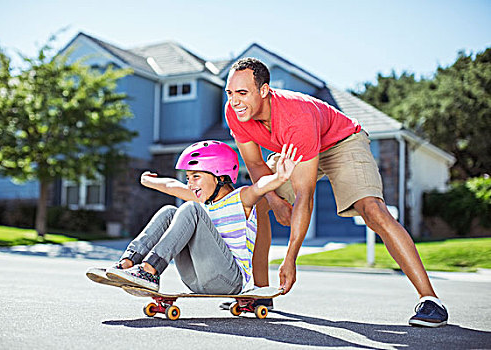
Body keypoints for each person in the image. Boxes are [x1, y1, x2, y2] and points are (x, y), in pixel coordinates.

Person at [223, 57, 448, 327]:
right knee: (255, 200)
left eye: (242, 93)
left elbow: (305, 195)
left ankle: (430, 300)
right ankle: (260, 293)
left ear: (264, 90)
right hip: (295, 148)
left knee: (372, 209)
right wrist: (274, 199)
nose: (235, 101)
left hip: (342, 142)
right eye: (230, 93)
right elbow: (257, 165)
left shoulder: (297, 115)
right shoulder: (235, 113)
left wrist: (290, 258)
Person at [86, 140, 302, 296]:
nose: (190, 184)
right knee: (169, 212)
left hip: (229, 280)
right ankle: (127, 263)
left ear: (220, 175)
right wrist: (149, 181)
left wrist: (279, 177)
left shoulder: (241, 198)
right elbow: (172, 186)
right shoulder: (203, 200)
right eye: (188, 178)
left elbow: (259, 188)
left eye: (196, 176)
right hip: (195, 278)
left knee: (190, 209)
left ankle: (150, 270)